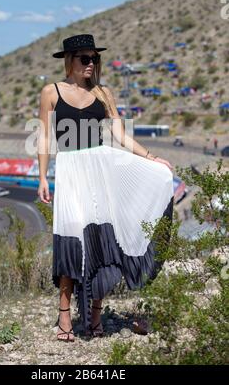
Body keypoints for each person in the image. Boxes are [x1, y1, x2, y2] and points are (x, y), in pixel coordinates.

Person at [37, 34, 174, 342]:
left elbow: (121, 137)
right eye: (84, 58)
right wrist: (43, 178)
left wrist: (152, 159)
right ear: (69, 60)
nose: (90, 64)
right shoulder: (52, 92)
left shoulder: (103, 93)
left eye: (94, 58)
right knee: (70, 243)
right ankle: (65, 318)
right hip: (71, 172)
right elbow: (45, 138)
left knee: (103, 243)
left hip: (102, 171)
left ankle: (96, 314)